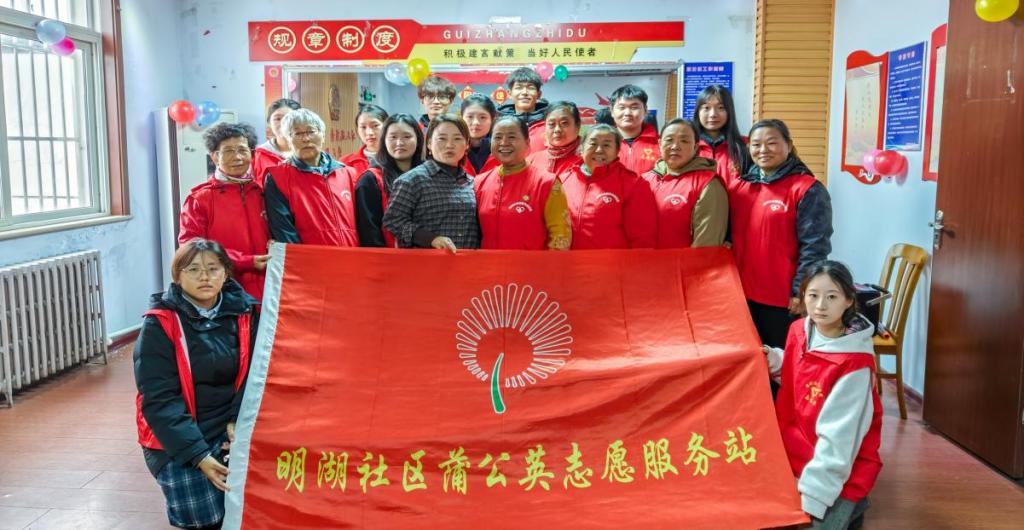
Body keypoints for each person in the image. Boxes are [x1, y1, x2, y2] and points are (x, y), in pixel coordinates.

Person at [134, 239, 259, 530]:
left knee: (251, 508)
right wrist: (199, 455)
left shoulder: (246, 313)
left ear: (226, 273)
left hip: (228, 425)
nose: (205, 277)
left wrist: (236, 419)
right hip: (176, 435)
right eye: (193, 269)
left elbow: (256, 374)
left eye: (213, 269)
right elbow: (159, 401)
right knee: (207, 519)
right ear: (177, 277)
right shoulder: (159, 324)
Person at [764, 260, 882, 530]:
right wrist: (773, 359)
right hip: (795, 451)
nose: (820, 306)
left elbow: (839, 442)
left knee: (809, 521)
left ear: (848, 301)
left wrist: (813, 498)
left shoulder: (854, 364)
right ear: (802, 296)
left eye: (832, 297)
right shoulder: (800, 330)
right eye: (813, 295)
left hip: (837, 464)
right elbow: (799, 375)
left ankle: (851, 501)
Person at [729, 119, 832, 349]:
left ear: (789, 145)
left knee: (780, 363)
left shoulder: (807, 189)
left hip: (782, 300)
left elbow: (815, 248)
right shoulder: (740, 187)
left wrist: (801, 291)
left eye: (772, 143)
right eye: (756, 144)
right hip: (740, 296)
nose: (763, 150)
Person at [178, 123, 270, 301]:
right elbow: (192, 246)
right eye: (228, 151)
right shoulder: (200, 199)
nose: (237, 157)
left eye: (242, 150)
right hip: (223, 288)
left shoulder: (263, 192)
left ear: (252, 154)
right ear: (214, 157)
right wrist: (244, 261)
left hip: (267, 287)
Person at [383, 114, 479, 253]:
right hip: (426, 262)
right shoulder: (412, 180)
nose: (449, 145)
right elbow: (393, 221)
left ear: (467, 144)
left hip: (468, 262)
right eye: (442, 138)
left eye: (457, 139)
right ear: (429, 144)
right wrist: (430, 239)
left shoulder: (472, 182)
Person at [264, 108, 359, 246]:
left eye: (311, 131)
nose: (306, 139)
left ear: (323, 135)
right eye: (297, 133)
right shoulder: (277, 178)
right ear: (288, 140)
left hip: (352, 255)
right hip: (310, 257)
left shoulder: (348, 174)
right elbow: (284, 232)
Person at [475, 115, 571, 250]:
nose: (504, 142)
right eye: (497, 137)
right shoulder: (480, 182)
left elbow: (560, 238)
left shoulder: (547, 183)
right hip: (488, 262)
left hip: (531, 263)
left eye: (512, 137)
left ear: (527, 142)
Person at [558, 124, 656, 249]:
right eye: (593, 143)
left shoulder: (633, 184)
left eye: (606, 145)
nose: (599, 150)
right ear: (582, 148)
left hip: (613, 260)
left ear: (617, 151)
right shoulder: (563, 180)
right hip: (569, 260)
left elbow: (642, 238)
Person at [641, 118, 728, 248]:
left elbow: (706, 245)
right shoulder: (645, 180)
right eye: (669, 140)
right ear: (659, 144)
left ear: (695, 147)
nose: (675, 146)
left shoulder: (708, 184)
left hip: (684, 261)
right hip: (644, 259)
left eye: (684, 141)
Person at [354, 113, 425, 247]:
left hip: (429, 254)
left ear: (418, 139)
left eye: (407, 136)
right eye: (393, 137)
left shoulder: (429, 175)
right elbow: (369, 232)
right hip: (389, 256)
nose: (399, 143)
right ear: (384, 141)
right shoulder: (371, 180)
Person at [694, 84, 750, 186]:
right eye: (706, 108)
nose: (713, 114)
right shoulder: (688, 147)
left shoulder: (746, 146)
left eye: (720, 108)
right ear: (698, 112)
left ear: (729, 111)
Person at [609, 84, 660, 175]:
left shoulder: (660, 144)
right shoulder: (602, 145)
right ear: (612, 111)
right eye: (621, 107)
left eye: (634, 107)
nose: (627, 113)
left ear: (645, 110)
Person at [497, 67, 549, 153]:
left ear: (539, 94)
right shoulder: (498, 123)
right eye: (519, 87)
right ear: (509, 93)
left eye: (530, 88)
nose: (524, 92)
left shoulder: (550, 122)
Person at [527, 101, 583, 178]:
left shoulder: (586, 160)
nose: (557, 130)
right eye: (551, 124)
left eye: (564, 123)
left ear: (578, 126)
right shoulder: (531, 160)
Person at [252, 98, 300, 186]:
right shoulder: (258, 155)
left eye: (289, 118)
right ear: (269, 123)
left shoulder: (309, 153)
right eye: (278, 119)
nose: (283, 123)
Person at [341, 103, 388, 175]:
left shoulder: (399, 159)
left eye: (375, 126)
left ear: (387, 126)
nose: (369, 133)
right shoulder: (346, 163)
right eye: (363, 127)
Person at [461, 93, 499, 176]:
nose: (476, 122)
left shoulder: (502, 149)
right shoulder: (453, 148)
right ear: (461, 118)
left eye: (482, 117)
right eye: (470, 117)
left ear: (492, 119)